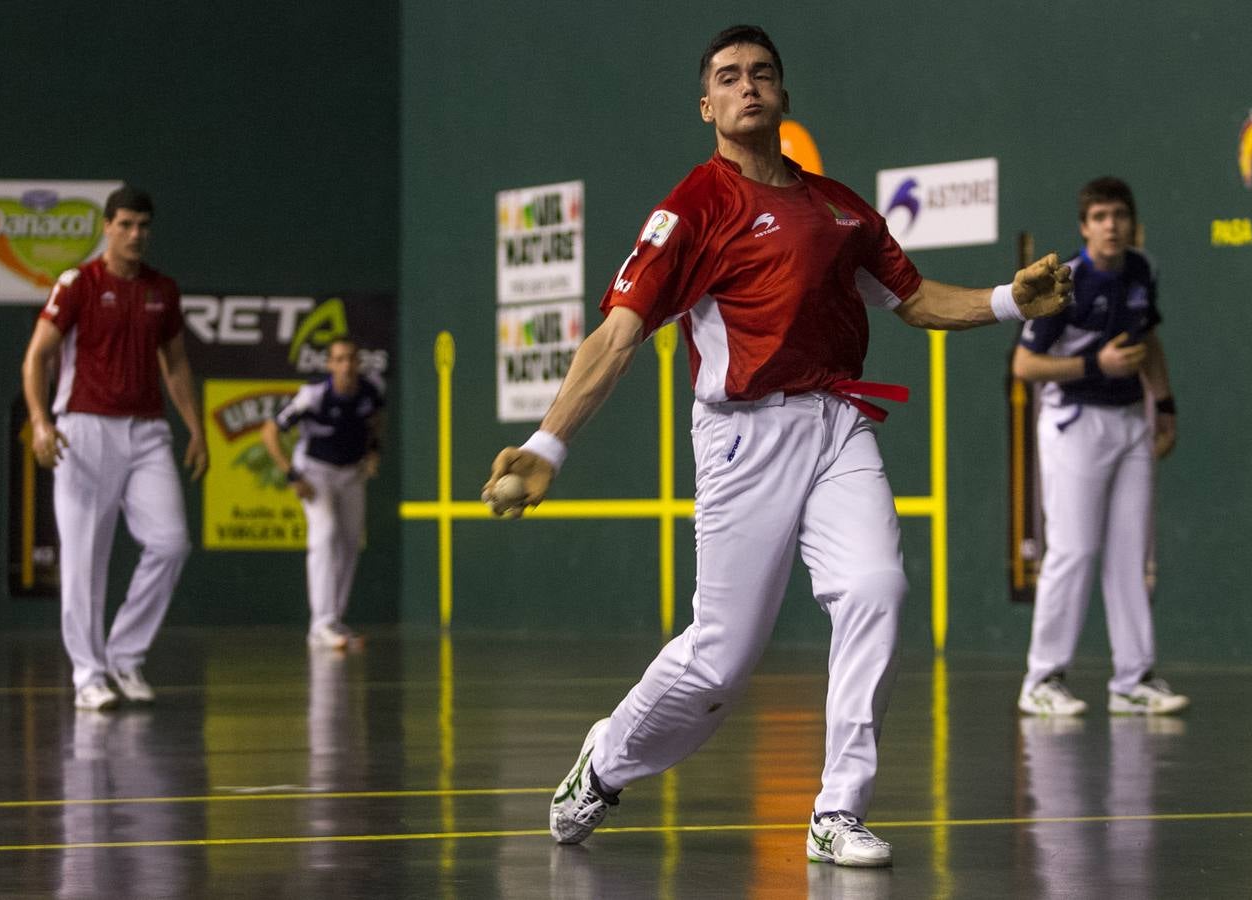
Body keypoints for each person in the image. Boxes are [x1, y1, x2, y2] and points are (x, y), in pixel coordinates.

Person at [482, 24, 1071, 868]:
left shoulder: (840, 208)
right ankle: (606, 761)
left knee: (876, 587)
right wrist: (550, 444)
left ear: (784, 96)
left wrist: (1011, 300)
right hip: (741, 439)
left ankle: (837, 810)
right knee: (720, 660)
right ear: (707, 106)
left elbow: (913, 300)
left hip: (839, 422)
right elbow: (617, 337)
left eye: (763, 73)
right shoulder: (692, 207)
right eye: (730, 77)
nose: (748, 85)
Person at [21, 185, 207, 711]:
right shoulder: (78, 283)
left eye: (143, 226)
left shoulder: (162, 290)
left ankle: (125, 655)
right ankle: (88, 674)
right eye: (125, 225)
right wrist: (40, 423)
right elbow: (36, 357)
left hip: (148, 432)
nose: (135, 235)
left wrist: (196, 428)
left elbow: (175, 363)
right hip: (84, 430)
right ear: (106, 227)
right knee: (83, 560)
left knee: (171, 543)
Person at [1012, 177, 1188, 718]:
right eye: (1101, 216)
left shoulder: (1142, 269)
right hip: (1074, 423)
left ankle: (1133, 679)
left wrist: (1165, 405)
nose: (1112, 225)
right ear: (1085, 227)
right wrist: (1096, 365)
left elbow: (1149, 339)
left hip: (1131, 421)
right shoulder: (1068, 281)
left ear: (1132, 223)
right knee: (1073, 550)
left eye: (1120, 215)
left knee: (1130, 553)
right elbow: (1024, 367)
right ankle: (1042, 679)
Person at [261, 336, 384, 651]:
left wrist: (373, 451)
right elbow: (270, 431)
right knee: (325, 534)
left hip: (352, 472)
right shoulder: (313, 395)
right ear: (330, 364)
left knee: (350, 540)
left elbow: (375, 421)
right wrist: (292, 474)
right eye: (339, 359)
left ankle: (335, 622)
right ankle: (320, 626)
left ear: (358, 363)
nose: (346, 365)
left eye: (352, 359)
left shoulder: (372, 391)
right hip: (315, 473)